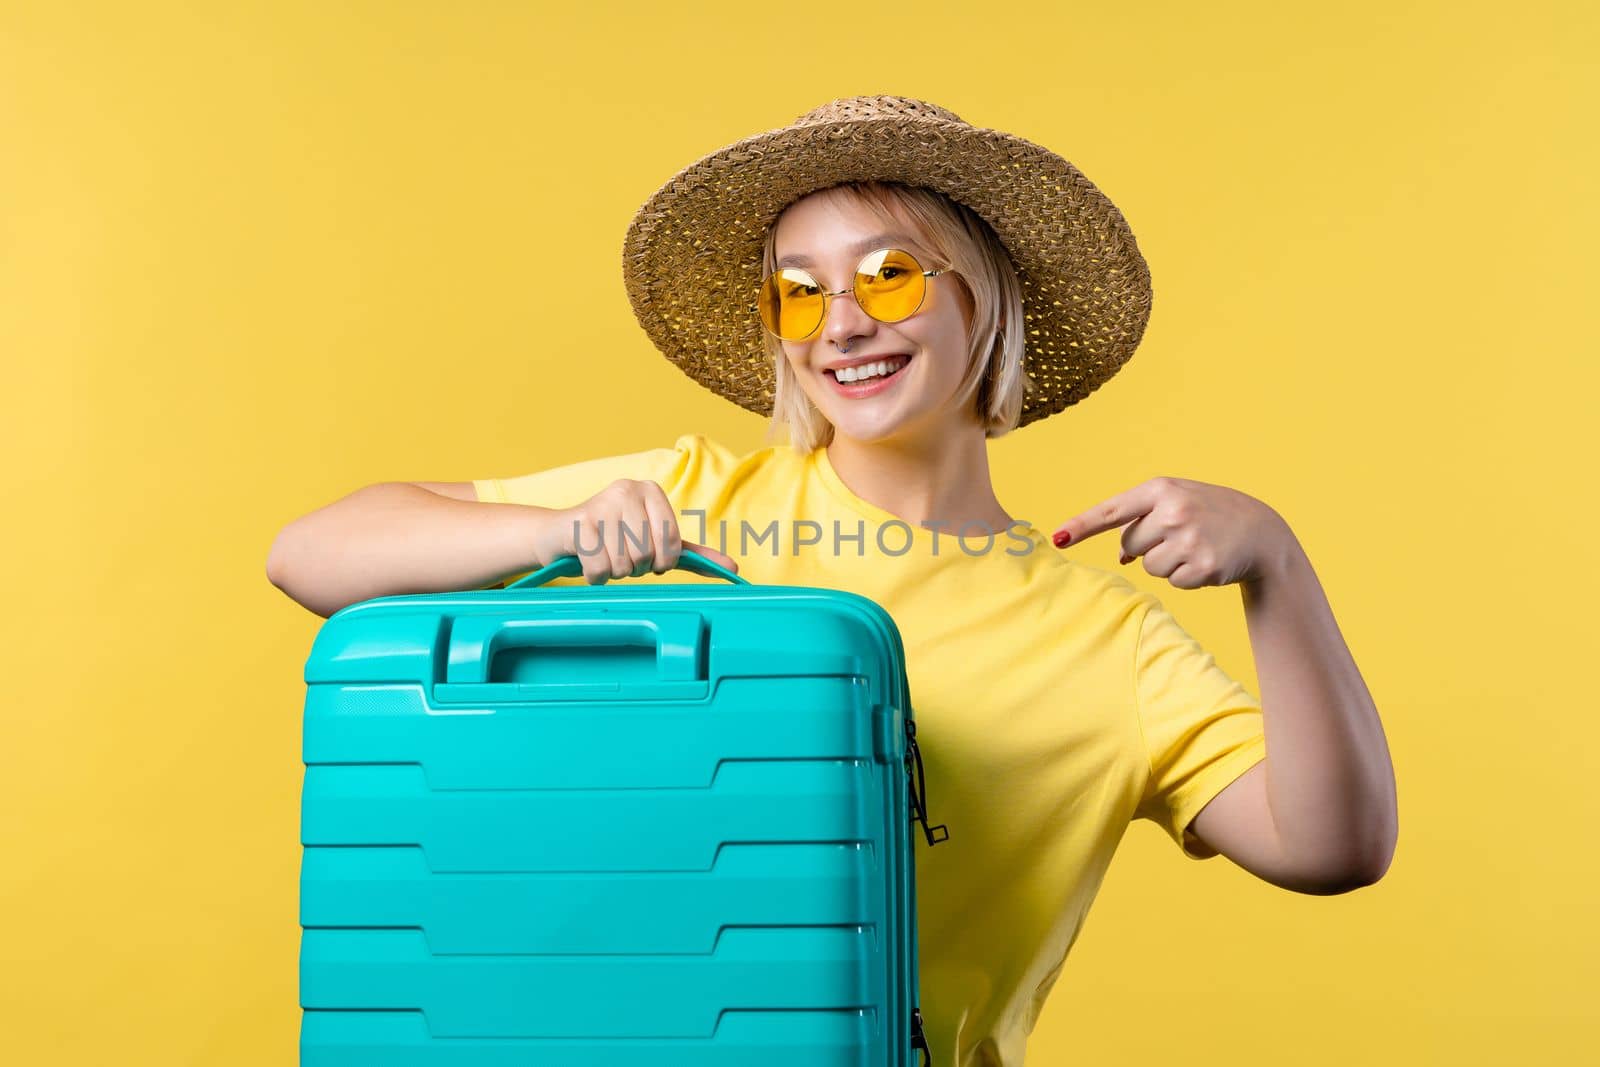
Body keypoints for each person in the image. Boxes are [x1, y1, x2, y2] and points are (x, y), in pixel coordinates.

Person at [267, 95, 1398, 1066]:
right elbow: (312, 553)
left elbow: (1330, 848)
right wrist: (556, 526)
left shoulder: (1107, 642)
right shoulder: (695, 497)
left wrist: (1277, 569)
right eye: (799, 293)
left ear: (982, 298)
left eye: (891, 276)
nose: (843, 322)